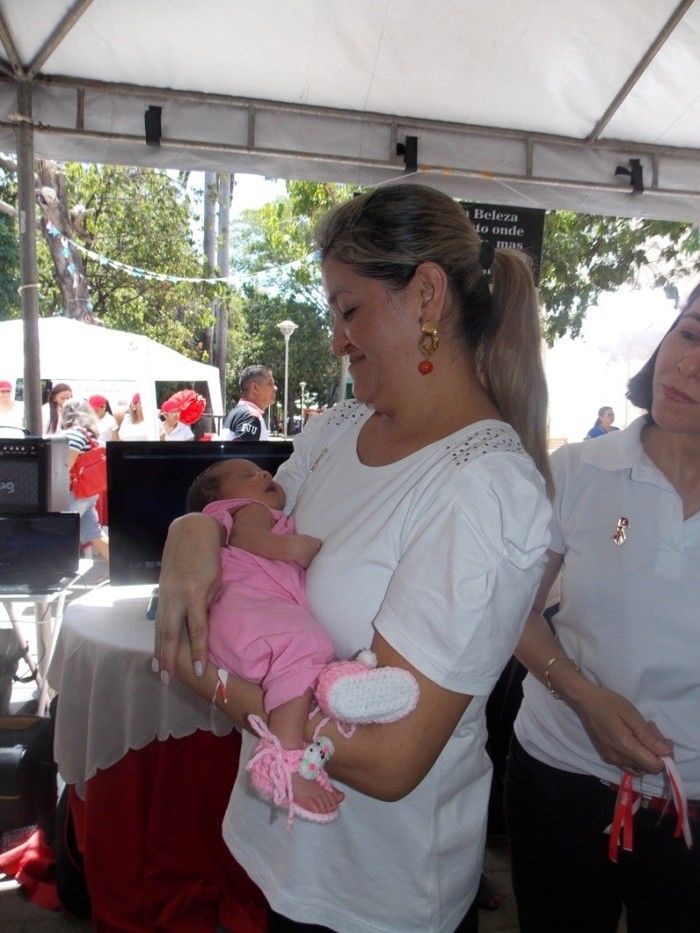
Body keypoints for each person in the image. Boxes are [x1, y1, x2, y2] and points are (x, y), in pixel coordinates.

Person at [153, 183, 553, 933]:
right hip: (281, 850)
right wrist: (191, 530)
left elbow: (389, 757)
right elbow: (250, 520)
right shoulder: (338, 428)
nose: (336, 339)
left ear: (426, 295)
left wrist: (203, 671)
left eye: (349, 309)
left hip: (376, 891)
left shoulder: (485, 490)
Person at [505, 282, 700, 933]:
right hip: (559, 773)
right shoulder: (578, 470)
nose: (687, 364)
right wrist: (586, 698)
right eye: (689, 333)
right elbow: (513, 611)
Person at [186, 458, 418, 824]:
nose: (263, 474)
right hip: (247, 610)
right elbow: (248, 539)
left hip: (242, 624)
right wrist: (296, 548)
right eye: (246, 475)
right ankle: (285, 760)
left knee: (303, 664)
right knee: (306, 646)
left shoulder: (249, 515)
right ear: (219, 500)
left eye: (260, 470)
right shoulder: (248, 510)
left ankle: (338, 691)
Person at [61, 398, 109, 563]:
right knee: (95, 534)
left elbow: (66, 466)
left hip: (76, 493)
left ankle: (57, 569)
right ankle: (122, 570)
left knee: (60, 530)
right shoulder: (87, 433)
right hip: (88, 492)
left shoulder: (73, 434)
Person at [220, 366, 276, 440]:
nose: (275, 388)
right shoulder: (251, 416)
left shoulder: (236, 412)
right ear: (255, 388)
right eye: (270, 383)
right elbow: (242, 447)